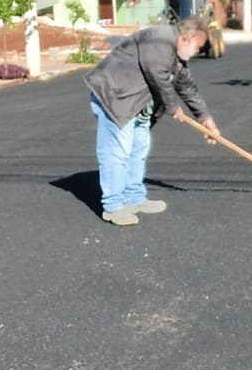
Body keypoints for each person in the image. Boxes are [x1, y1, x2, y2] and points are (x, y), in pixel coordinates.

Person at [83, 19, 219, 227]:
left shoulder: (176, 55)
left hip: (137, 105)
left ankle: (134, 197)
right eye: (198, 47)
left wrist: (206, 119)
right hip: (115, 97)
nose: (198, 52)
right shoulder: (160, 39)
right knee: (117, 152)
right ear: (188, 38)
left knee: (138, 150)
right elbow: (156, 73)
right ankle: (113, 207)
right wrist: (173, 107)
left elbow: (187, 87)